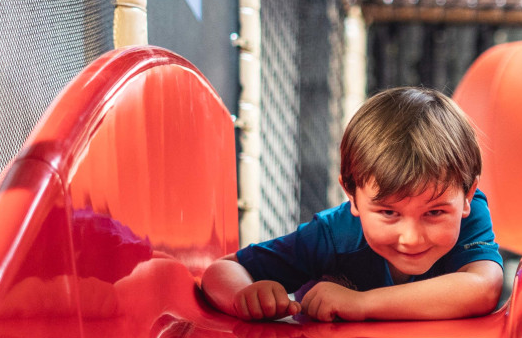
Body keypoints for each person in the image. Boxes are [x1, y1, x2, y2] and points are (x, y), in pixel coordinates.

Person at [202, 87, 504, 322]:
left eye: (434, 212)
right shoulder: (336, 234)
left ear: (467, 195)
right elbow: (223, 270)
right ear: (352, 194)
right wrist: (246, 296)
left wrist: (361, 303)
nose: (411, 238)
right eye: (388, 212)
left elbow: (483, 288)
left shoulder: (469, 212)